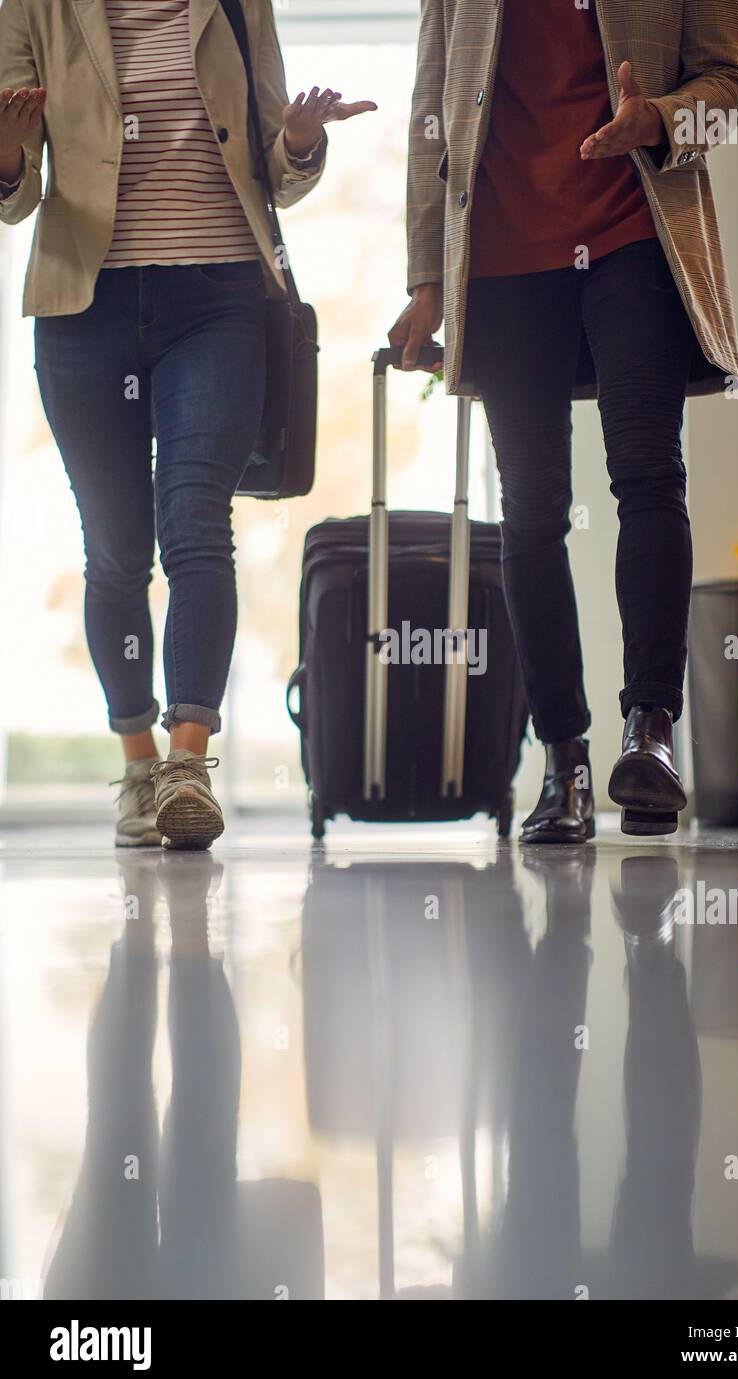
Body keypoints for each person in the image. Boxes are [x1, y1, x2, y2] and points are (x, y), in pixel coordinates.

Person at [0, 0, 375, 849]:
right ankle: (137, 767)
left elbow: (278, 166)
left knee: (198, 524)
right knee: (117, 550)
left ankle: (187, 765)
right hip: (85, 306)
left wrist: (305, 139)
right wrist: (10, 150)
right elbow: (15, 196)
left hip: (217, 301)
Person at [389, 0, 738, 843]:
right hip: (506, 256)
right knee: (533, 509)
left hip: (635, 233)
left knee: (650, 475)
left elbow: (728, 82)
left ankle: (650, 734)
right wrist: (426, 281)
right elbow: (431, 109)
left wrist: (656, 117)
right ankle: (565, 762)